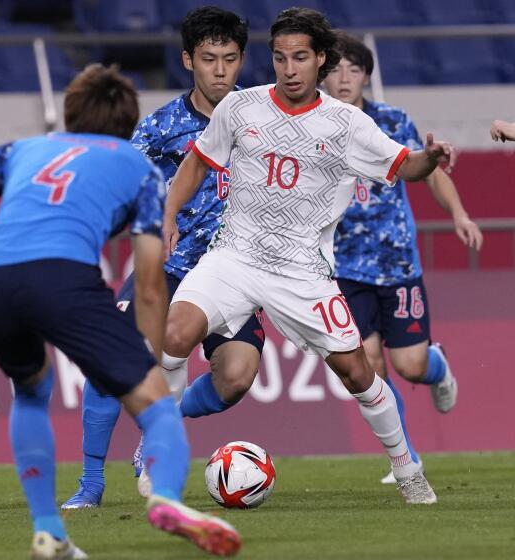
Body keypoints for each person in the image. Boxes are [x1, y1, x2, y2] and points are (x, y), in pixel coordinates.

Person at [0, 64, 242, 559]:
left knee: (32, 391)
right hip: (62, 279)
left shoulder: (32, 149)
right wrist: (146, 351)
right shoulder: (138, 168)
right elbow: (150, 282)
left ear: (69, 114)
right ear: (128, 126)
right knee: (155, 404)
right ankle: (167, 500)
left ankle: (48, 531)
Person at [163, 7, 452, 505]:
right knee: (173, 334)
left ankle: (407, 469)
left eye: (300, 57)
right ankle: (161, 454)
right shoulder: (241, 107)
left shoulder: (346, 123)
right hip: (234, 257)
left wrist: (431, 157)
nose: (289, 68)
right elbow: (199, 161)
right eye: (280, 57)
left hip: (301, 271)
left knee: (359, 373)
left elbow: (405, 166)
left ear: (321, 59)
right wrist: (170, 212)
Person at [62, 5, 265, 510]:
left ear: (242, 62)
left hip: (235, 274)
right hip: (168, 271)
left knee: (237, 376)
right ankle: (91, 484)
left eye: (230, 59)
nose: (220, 70)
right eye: (208, 59)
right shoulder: (161, 126)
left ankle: (162, 425)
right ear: (187, 61)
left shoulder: (263, 118)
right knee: (112, 365)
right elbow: (119, 180)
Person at [322, 32, 483, 483]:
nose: (344, 78)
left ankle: (439, 365)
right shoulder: (314, 126)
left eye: (354, 70)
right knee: (368, 364)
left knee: (411, 366)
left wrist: (459, 213)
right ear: (322, 75)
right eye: (335, 69)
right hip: (344, 271)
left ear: (367, 78)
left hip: (397, 268)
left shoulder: (392, 121)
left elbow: (427, 173)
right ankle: (405, 457)